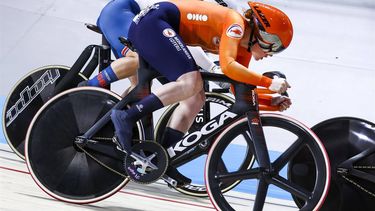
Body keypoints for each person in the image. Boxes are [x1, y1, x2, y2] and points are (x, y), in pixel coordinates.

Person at [110, 0, 293, 186]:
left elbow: (236, 88)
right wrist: (268, 82)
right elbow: (229, 67)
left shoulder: (243, 47)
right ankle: (126, 116)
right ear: (262, 34)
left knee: (196, 99)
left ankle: (160, 160)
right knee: (191, 82)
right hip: (154, 22)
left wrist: (271, 102)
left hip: (159, 26)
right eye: (274, 45)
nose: (272, 53)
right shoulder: (236, 24)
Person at [82, 0, 228, 94]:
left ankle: (108, 125)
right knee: (138, 58)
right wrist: (212, 69)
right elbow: (182, 41)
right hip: (120, 11)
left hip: (130, 18)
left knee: (140, 88)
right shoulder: (191, 8)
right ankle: (87, 87)